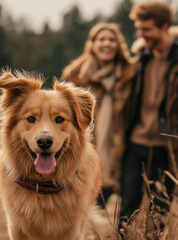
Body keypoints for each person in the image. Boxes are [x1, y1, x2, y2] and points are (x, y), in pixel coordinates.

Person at [119, 1, 178, 227]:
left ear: (164, 27)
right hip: (135, 145)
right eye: (139, 29)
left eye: (147, 29)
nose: (141, 34)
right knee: (127, 210)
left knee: (159, 212)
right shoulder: (142, 58)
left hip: (167, 149)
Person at [61, 23, 136, 209]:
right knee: (83, 209)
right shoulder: (74, 75)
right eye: (102, 39)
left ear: (119, 45)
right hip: (85, 149)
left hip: (123, 150)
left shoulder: (131, 74)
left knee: (126, 212)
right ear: (92, 44)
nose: (107, 44)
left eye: (112, 40)